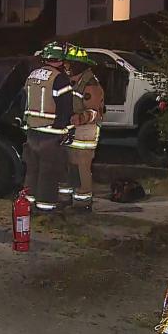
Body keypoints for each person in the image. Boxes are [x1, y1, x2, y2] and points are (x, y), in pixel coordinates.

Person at [22, 41, 74, 213]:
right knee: (48, 172)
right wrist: (66, 129)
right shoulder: (60, 79)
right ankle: (46, 207)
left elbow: (23, 100)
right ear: (60, 60)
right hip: (50, 133)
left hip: (32, 132)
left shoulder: (32, 75)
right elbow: (66, 107)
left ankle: (28, 203)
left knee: (32, 170)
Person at [64, 44, 104, 211]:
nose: (66, 66)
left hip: (86, 133)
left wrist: (81, 117)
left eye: (69, 63)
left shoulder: (90, 84)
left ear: (77, 65)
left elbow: (96, 112)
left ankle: (83, 203)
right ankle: (68, 199)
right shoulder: (75, 81)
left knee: (82, 167)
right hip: (74, 131)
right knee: (70, 166)